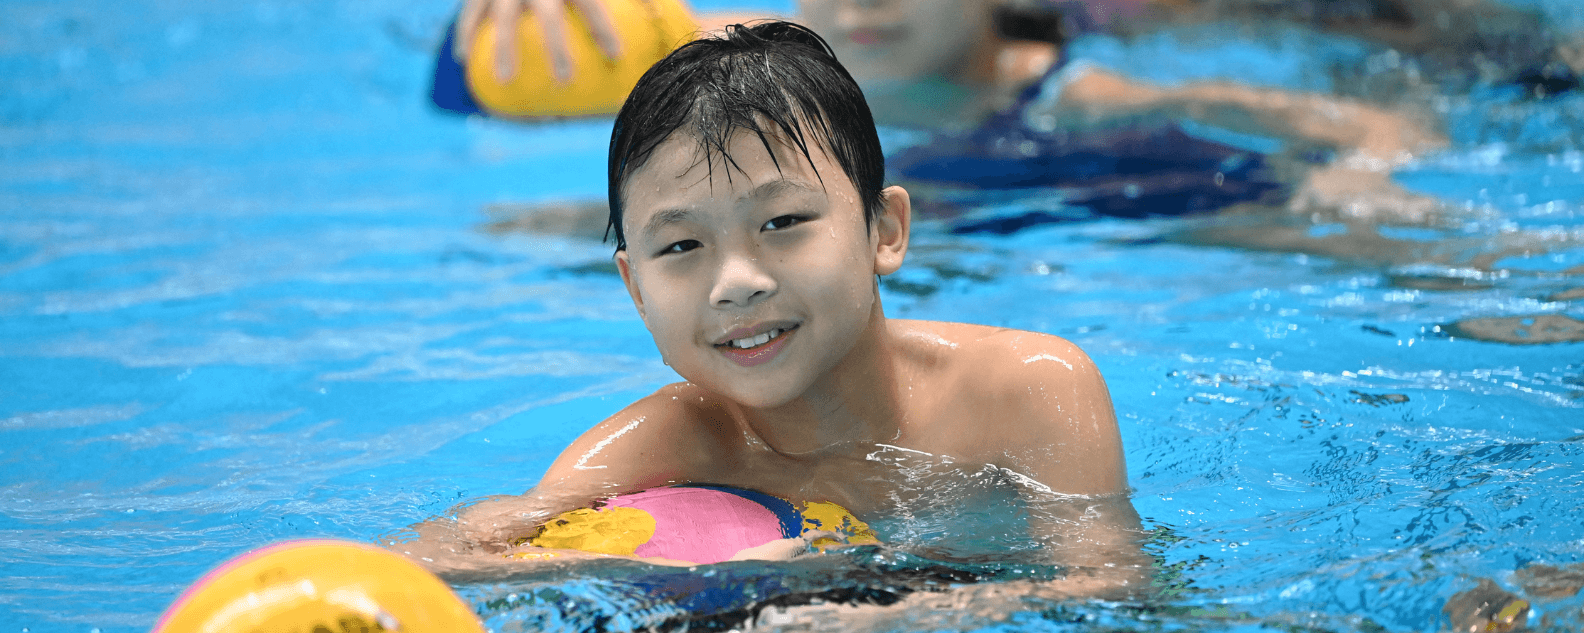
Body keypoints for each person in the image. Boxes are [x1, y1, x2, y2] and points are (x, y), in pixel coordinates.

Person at [395, 21, 1147, 596]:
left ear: (885, 230)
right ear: (635, 289)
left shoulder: (1026, 391)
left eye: (782, 224)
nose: (736, 282)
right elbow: (459, 550)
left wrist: (876, 610)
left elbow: (1110, 589)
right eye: (682, 247)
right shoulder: (669, 443)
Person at [442, 0, 1448, 227]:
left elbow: (1354, 120)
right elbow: (474, 94)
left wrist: (1364, 167)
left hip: (1097, 196)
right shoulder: (754, 45)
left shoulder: (1072, 90)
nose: (861, 10)